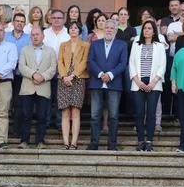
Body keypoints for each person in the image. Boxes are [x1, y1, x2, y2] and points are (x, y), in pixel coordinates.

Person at [87, 19, 128, 150]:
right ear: (103, 30)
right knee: (94, 116)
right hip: (96, 83)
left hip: (114, 83)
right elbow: (90, 61)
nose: (109, 30)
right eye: (107, 28)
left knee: (114, 116)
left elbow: (123, 63)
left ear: (116, 31)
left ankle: (112, 145)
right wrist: (100, 74)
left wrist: (110, 74)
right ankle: (94, 144)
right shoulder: (95, 44)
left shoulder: (122, 45)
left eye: (112, 28)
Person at [129, 20, 166, 151]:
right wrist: (138, 81)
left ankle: (149, 141)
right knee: (139, 113)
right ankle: (140, 141)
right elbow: (131, 63)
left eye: (150, 28)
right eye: (145, 28)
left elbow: (162, 66)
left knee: (151, 113)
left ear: (154, 31)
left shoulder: (159, 46)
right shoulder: (136, 44)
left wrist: (153, 82)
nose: (147, 30)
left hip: (153, 84)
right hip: (138, 83)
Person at [17, 26, 57, 148]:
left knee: (42, 116)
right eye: (33, 35)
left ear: (43, 36)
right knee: (26, 115)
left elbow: (53, 68)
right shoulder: (25, 50)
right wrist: (34, 75)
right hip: (28, 87)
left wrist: (42, 77)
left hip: (43, 87)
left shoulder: (51, 51)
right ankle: (24, 141)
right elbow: (22, 66)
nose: (35, 36)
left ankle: (40, 141)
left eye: (37, 34)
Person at [57, 20, 89, 149]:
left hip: (78, 79)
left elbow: (84, 62)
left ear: (80, 30)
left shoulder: (85, 45)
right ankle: (65, 142)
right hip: (63, 79)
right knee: (65, 111)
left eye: (76, 28)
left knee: (75, 111)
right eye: (71, 28)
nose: (73, 30)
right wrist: (65, 76)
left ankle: (74, 142)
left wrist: (73, 75)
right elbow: (60, 61)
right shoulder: (63, 45)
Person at [5, 12, 31, 138]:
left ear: (24, 24)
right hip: (5, 74)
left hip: (21, 75)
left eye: (22, 21)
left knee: (18, 103)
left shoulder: (29, 38)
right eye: (17, 21)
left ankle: (16, 129)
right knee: (5, 102)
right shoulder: (5, 36)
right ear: (13, 23)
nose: (19, 23)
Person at [43, 9, 70, 128]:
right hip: (47, 70)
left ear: (64, 20)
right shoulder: (44, 33)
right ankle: (47, 121)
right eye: (54, 18)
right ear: (50, 19)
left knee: (61, 97)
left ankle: (60, 123)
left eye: (59, 18)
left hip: (63, 71)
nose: (57, 20)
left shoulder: (69, 33)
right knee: (47, 97)